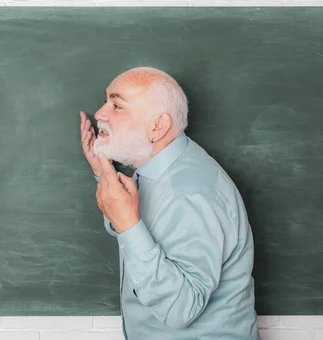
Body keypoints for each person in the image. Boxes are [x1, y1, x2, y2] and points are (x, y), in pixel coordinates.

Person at [79, 67, 260, 340]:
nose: (100, 114)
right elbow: (133, 227)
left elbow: (181, 309)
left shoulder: (190, 194)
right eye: (105, 101)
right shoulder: (158, 172)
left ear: (157, 127)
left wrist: (129, 224)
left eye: (116, 105)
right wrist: (102, 171)